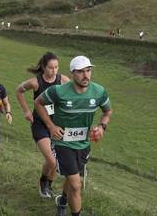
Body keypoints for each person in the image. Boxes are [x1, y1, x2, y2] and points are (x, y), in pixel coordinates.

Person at [34, 56, 112, 216]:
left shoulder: (99, 92)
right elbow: (38, 103)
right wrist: (51, 126)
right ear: (72, 73)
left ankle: (63, 201)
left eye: (88, 71)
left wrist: (102, 127)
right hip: (63, 143)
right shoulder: (58, 91)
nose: (86, 75)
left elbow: (107, 111)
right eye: (81, 72)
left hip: (83, 144)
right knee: (76, 185)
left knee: (72, 178)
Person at [16, 52, 70, 198]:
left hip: (57, 125)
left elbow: (72, 96)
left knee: (56, 161)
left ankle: (48, 185)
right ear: (44, 67)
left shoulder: (63, 80)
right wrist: (27, 111)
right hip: (40, 124)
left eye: (56, 67)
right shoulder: (36, 82)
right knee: (52, 161)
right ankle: (42, 183)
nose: (54, 71)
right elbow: (18, 91)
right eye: (51, 68)